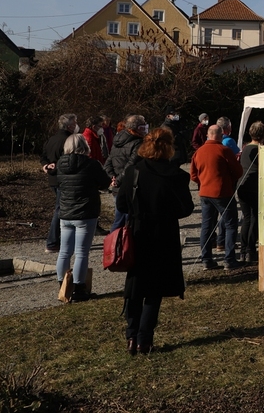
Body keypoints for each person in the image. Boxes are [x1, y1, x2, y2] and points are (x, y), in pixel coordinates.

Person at [117, 128, 194, 355]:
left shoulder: (133, 172)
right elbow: (186, 208)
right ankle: (144, 339)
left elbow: (121, 204)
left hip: (138, 232)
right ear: (169, 147)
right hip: (164, 234)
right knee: (154, 289)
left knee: (135, 286)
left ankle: (132, 335)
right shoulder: (176, 175)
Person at [55, 133, 111, 302]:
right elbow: (105, 182)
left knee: (64, 252)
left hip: (66, 212)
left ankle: (63, 285)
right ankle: (79, 289)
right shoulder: (91, 164)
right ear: (84, 146)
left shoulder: (60, 164)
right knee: (81, 253)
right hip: (85, 213)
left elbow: (59, 183)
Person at [190, 124, 243, 270]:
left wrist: (203, 181)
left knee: (206, 226)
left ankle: (206, 259)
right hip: (222, 192)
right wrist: (229, 180)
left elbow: (193, 175)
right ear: (220, 135)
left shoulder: (199, 152)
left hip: (205, 192)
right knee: (230, 224)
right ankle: (229, 259)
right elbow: (238, 171)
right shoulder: (224, 150)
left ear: (208, 135)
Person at [41, 114, 78, 254]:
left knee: (61, 208)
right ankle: (52, 242)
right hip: (64, 179)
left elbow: (43, 156)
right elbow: (68, 160)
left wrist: (46, 165)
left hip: (53, 178)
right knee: (60, 210)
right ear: (70, 126)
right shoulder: (69, 140)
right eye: (75, 123)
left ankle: (59, 240)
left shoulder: (51, 139)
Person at [104, 114, 147, 230]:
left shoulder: (117, 140)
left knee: (119, 219)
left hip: (117, 186)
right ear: (138, 127)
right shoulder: (138, 142)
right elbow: (132, 164)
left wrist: (112, 177)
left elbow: (108, 162)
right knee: (129, 220)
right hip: (131, 185)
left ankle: (114, 240)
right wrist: (117, 180)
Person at [237, 122, 264, 264]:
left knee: (246, 218)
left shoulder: (245, 148)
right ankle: (250, 250)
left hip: (242, 185)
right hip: (254, 186)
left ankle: (243, 251)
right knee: (254, 218)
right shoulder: (261, 150)